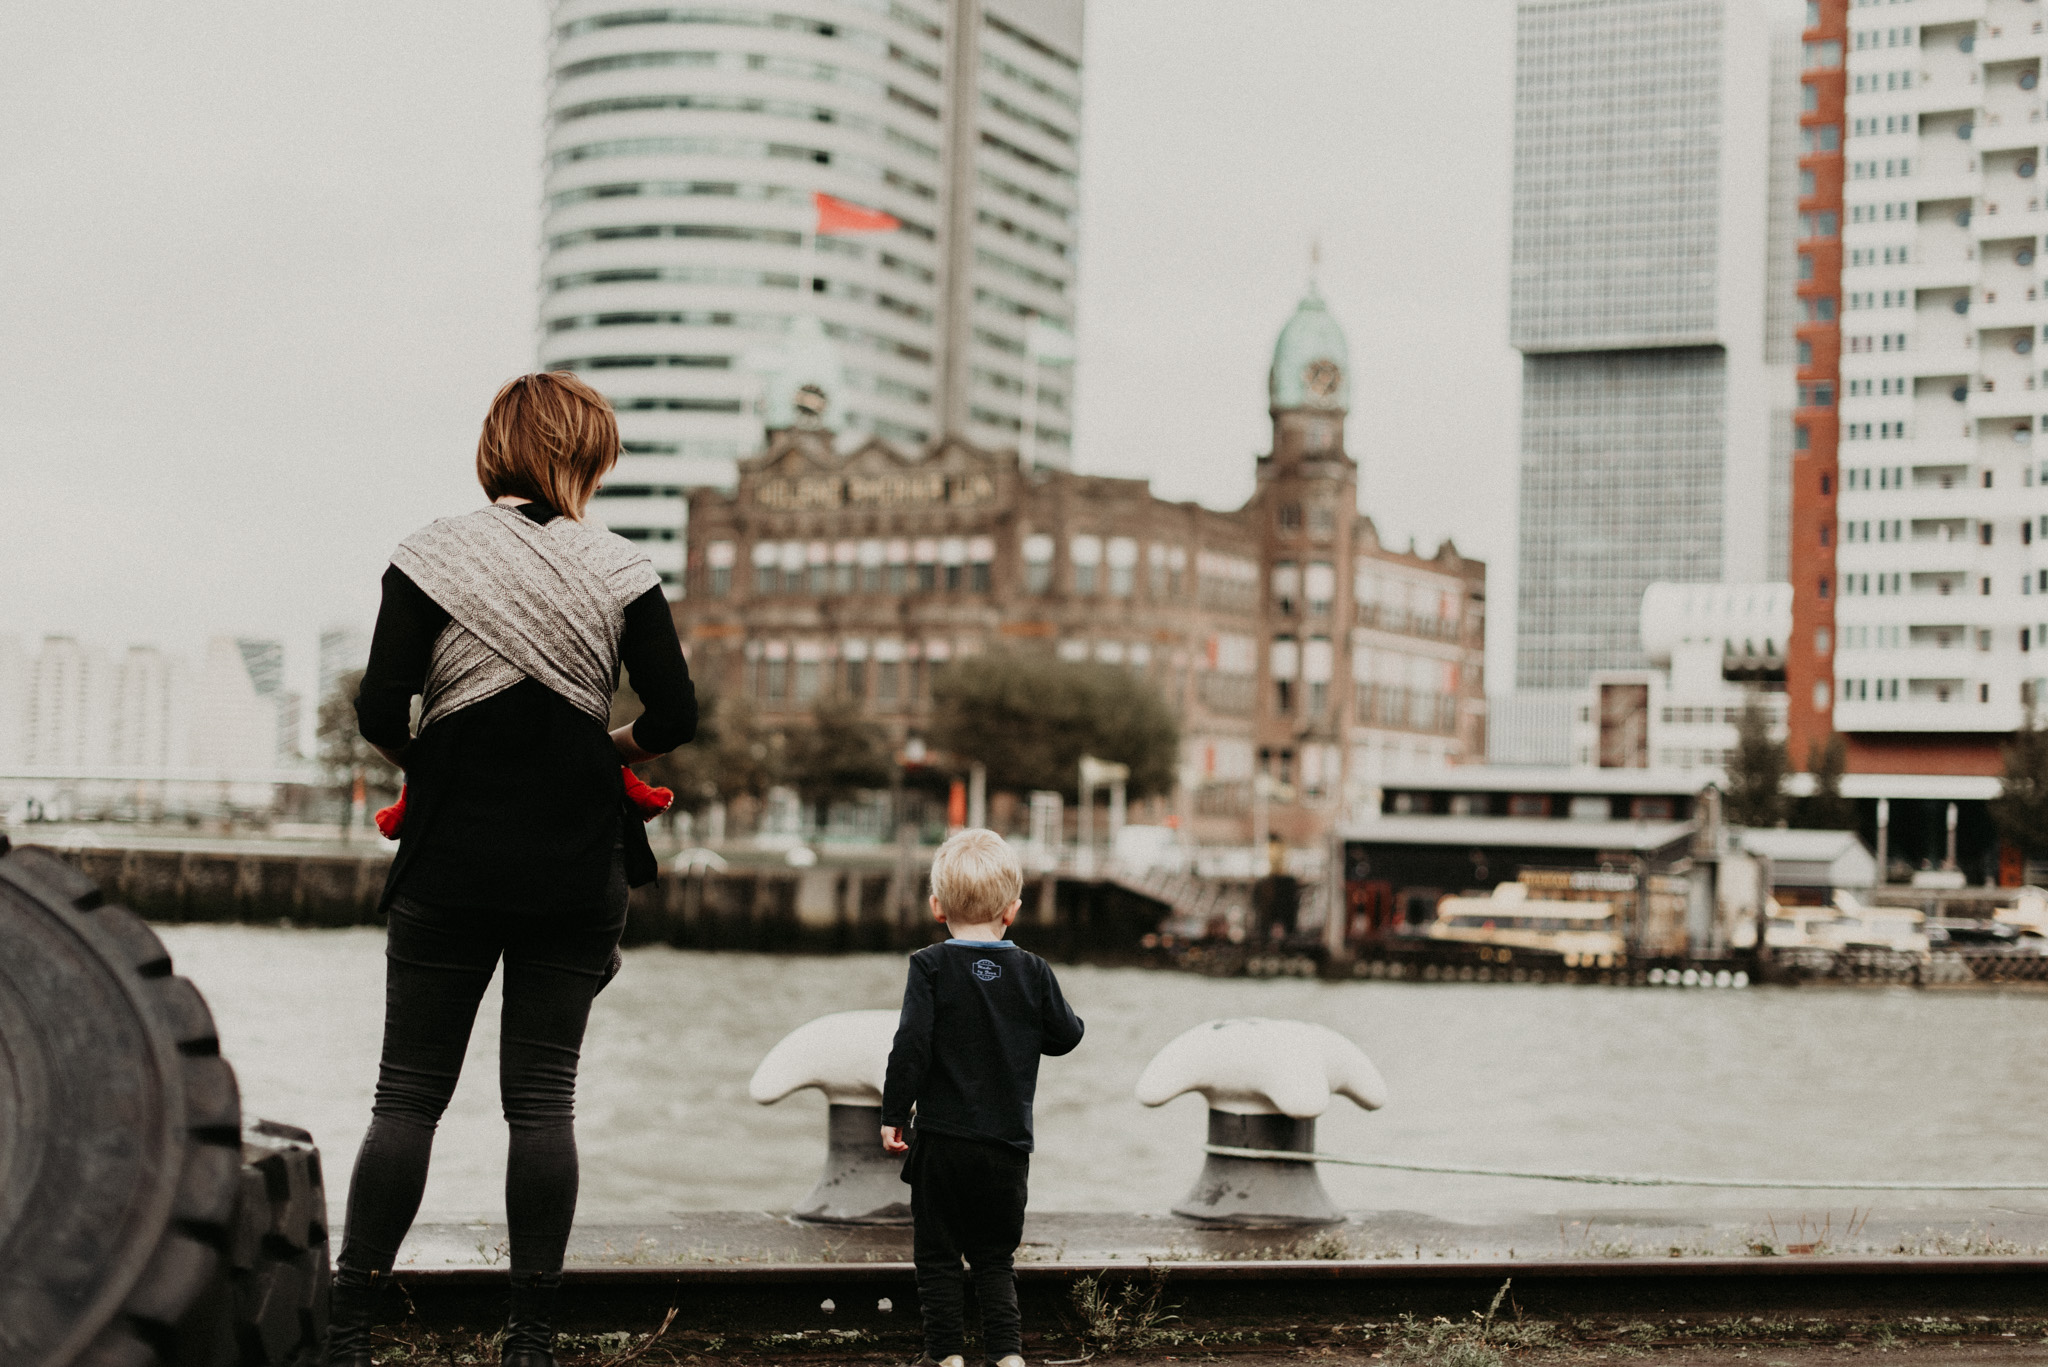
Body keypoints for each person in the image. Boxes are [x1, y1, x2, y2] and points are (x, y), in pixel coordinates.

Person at [326, 372, 696, 1367]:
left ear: (495, 448)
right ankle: (529, 1335)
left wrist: (441, 765)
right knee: (542, 1101)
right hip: (575, 865)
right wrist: (608, 751)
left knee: (405, 1096)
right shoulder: (622, 569)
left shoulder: (429, 554)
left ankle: (349, 1323)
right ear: (589, 455)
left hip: (452, 856)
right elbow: (676, 716)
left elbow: (378, 708)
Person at [881, 829, 1085, 1367]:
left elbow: (911, 1046)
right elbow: (1066, 1036)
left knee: (939, 1255)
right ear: (1012, 911)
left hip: (943, 1143)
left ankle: (946, 1356)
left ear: (937, 907)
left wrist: (893, 1114)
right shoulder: (1033, 971)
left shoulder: (928, 966)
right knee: (995, 1259)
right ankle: (1007, 1355)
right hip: (1006, 1145)